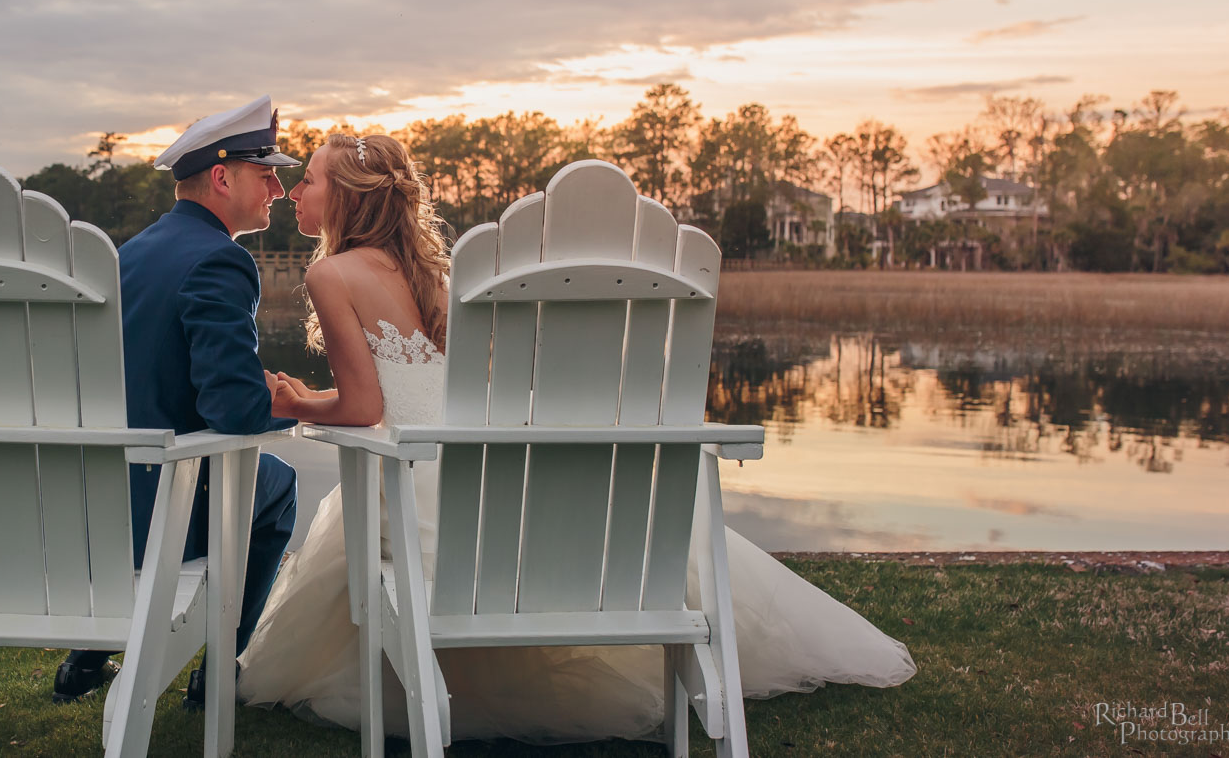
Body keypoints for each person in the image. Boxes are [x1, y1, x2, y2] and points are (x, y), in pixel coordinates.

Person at [235, 133, 917, 743]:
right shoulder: (427, 275)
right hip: (503, 459)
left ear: (348, 199)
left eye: (311, 180)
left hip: (434, 476)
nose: (296, 190)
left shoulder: (331, 272)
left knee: (358, 523)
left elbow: (362, 406)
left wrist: (299, 401)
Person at [52, 95, 304, 707]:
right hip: (167, 499)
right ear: (222, 177)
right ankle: (218, 672)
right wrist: (290, 397)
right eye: (265, 172)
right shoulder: (221, 260)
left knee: (251, 479)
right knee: (278, 487)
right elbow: (236, 414)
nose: (276, 186)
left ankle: (86, 659)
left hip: (96, 500)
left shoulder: (130, 254)